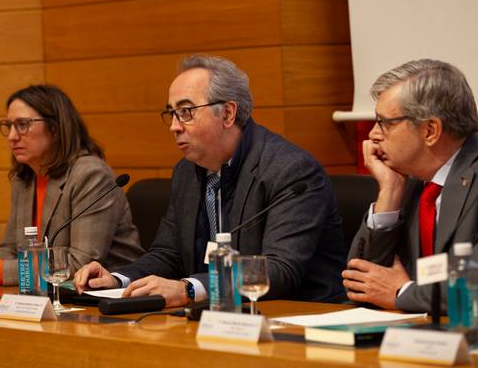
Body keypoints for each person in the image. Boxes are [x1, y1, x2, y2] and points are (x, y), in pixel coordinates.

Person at [74, 54, 346, 307]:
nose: (174, 126)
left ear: (227, 114)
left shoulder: (289, 170)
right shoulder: (187, 172)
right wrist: (118, 280)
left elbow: (280, 270)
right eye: (172, 113)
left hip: (298, 318)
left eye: (186, 112)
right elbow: (168, 254)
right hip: (218, 315)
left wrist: (189, 289)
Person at [343, 59, 478, 312]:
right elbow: (360, 284)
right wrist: (390, 193)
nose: (373, 134)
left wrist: (401, 293)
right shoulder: (408, 179)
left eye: (385, 123)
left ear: (430, 130)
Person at [0, 85, 144, 286]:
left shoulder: (90, 175)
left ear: (55, 128)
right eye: (9, 126)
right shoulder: (25, 179)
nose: (12, 136)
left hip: (108, 297)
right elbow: (12, 249)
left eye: (23, 124)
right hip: (49, 294)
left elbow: (81, 262)